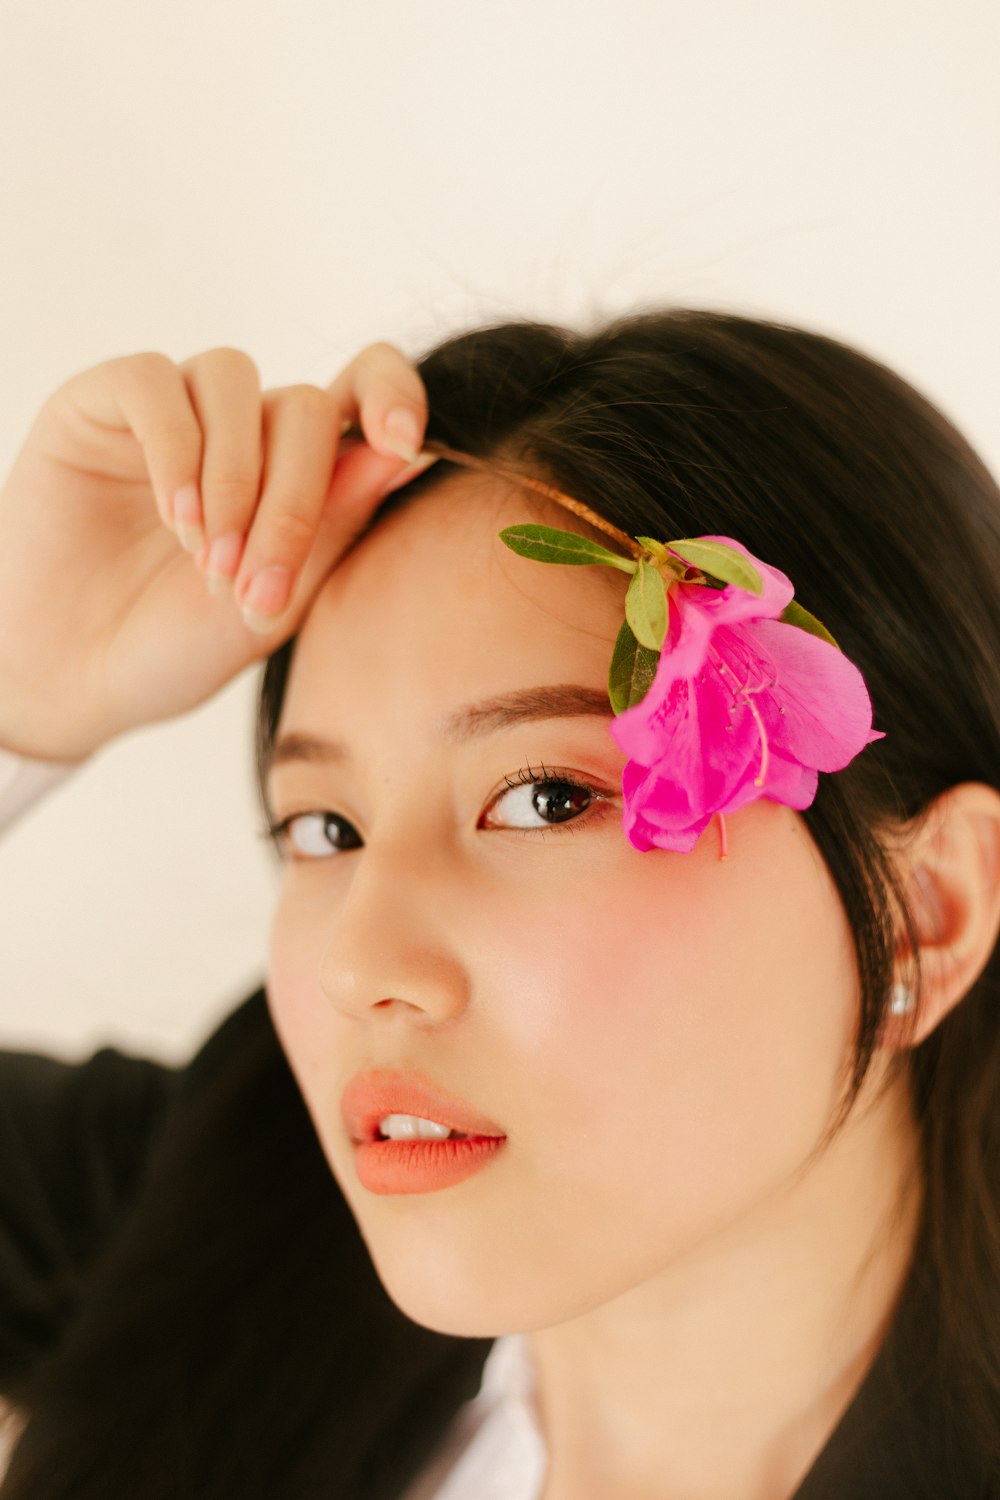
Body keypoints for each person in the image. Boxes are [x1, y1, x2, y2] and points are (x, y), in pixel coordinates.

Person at [0, 310, 998, 1500]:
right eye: (326, 827)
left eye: (541, 799)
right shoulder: (232, 1205)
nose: (360, 961)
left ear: (924, 908)